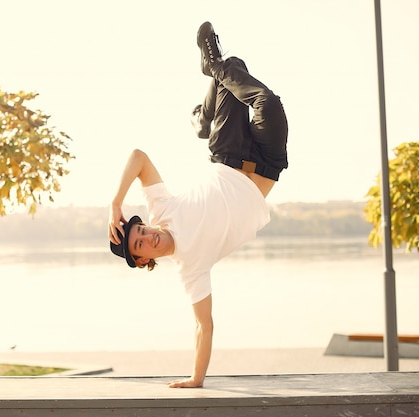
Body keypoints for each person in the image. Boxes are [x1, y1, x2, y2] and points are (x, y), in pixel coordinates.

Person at [108, 22, 288, 388]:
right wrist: (196, 378)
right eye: (140, 244)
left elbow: (139, 156)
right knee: (263, 98)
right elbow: (202, 325)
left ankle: (209, 101)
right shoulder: (191, 270)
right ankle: (207, 99)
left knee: (236, 73)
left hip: (229, 152)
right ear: (143, 261)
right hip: (267, 167)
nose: (148, 236)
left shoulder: (163, 210)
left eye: (141, 230)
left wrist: (116, 203)